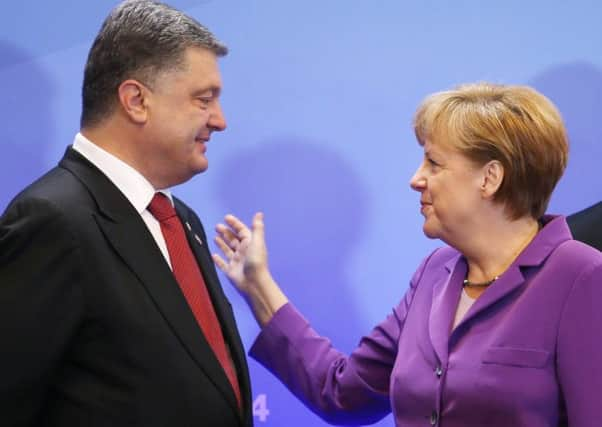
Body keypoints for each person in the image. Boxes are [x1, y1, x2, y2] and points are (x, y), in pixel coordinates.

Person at [213, 82, 602, 426]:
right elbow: (343, 393)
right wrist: (258, 286)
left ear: (490, 178)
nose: (416, 179)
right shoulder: (436, 274)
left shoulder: (581, 276)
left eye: (433, 163)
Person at [0, 1, 253, 426]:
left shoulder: (180, 220)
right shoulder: (52, 221)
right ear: (136, 100)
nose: (220, 120)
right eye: (203, 99)